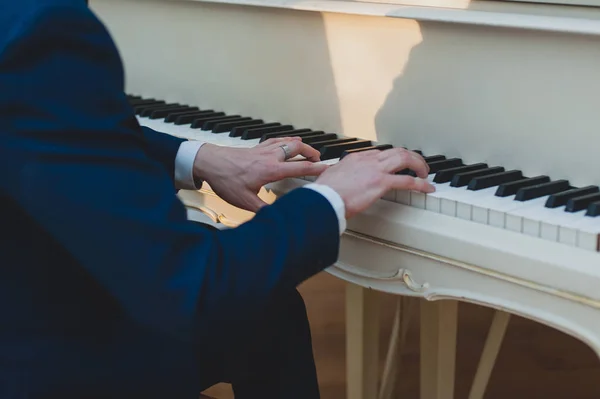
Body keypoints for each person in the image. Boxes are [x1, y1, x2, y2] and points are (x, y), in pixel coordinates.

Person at [0, 1, 435, 398]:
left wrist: (197, 157)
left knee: (269, 312)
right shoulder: (37, 28)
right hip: (37, 363)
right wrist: (330, 198)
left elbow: (45, 128)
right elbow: (190, 286)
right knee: (254, 302)